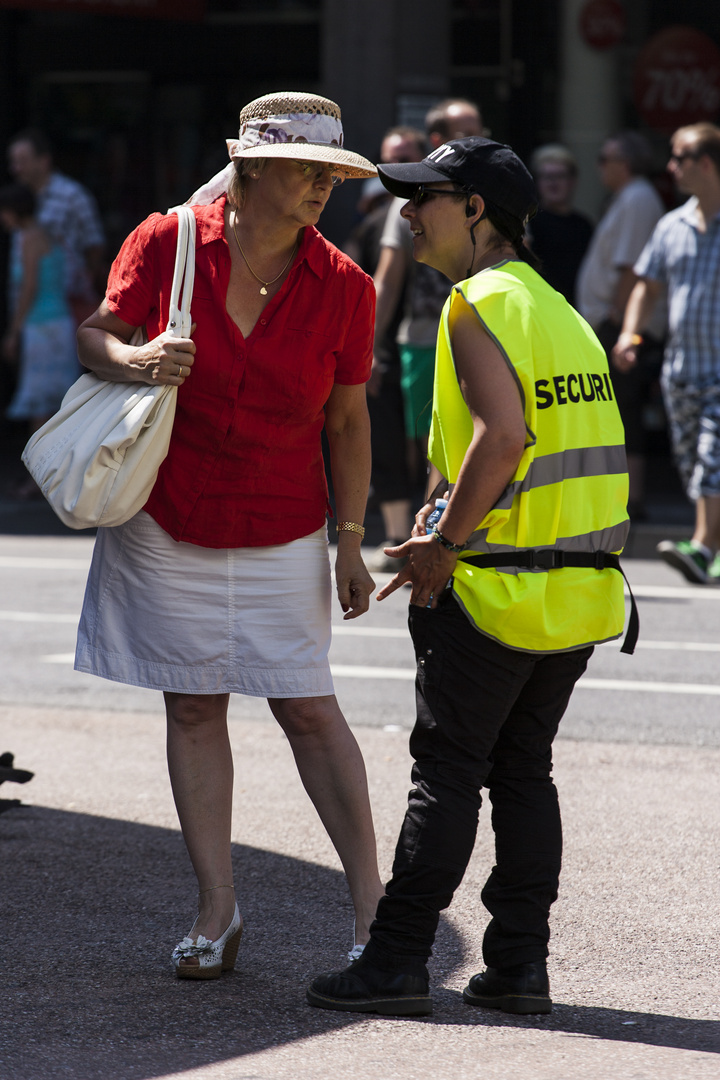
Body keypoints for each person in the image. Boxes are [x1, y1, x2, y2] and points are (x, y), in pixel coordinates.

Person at [307, 136, 630, 1017]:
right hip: (581, 590)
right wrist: (451, 506)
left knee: (446, 772)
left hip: (493, 590)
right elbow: (538, 443)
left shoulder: (474, 304)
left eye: (428, 198)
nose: (408, 214)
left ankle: (398, 958)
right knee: (525, 772)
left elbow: (503, 436)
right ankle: (520, 966)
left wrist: (443, 539)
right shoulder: (559, 311)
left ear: (477, 211)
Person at [74, 91, 385, 979]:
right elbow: (98, 334)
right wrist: (132, 356)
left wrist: (352, 540)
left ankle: (373, 909)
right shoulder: (167, 241)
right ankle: (217, 909)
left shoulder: (346, 285)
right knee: (193, 703)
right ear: (249, 169)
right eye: (307, 168)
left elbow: (351, 425)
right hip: (167, 512)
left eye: (335, 171)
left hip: (284, 521)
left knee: (308, 710)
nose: (325, 184)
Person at [367, 102, 484, 572]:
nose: (410, 211)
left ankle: (441, 531)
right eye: (462, 131)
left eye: (477, 130)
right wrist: (367, 346)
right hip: (421, 339)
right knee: (427, 444)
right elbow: (387, 280)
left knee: (465, 439)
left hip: (479, 330)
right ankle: (424, 529)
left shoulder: (497, 199)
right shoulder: (410, 208)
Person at [613, 123, 720, 585]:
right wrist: (630, 334)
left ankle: (701, 547)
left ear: (707, 163)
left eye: (679, 158)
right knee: (694, 465)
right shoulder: (671, 225)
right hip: (681, 370)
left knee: (712, 460)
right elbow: (647, 289)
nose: (671, 167)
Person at [576, 131, 666, 518]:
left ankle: (629, 499)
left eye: (605, 159)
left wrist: (615, 316)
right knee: (615, 408)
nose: (599, 167)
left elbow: (632, 266)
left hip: (619, 324)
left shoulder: (638, 197)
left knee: (623, 410)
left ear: (624, 164)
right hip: (612, 320)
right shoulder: (629, 198)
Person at [352, 127, 428, 570]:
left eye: (407, 156)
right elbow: (380, 282)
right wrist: (368, 348)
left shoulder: (430, 208)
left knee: (429, 447)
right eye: (390, 160)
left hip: (431, 340)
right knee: (388, 440)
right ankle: (401, 535)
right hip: (395, 345)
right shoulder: (377, 221)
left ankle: (431, 532)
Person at [0, 183, 79, 495]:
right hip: (56, 324)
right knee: (55, 403)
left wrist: (13, 331)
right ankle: (55, 474)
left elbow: (29, 287)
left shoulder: (30, 238)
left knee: (41, 405)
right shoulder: (45, 233)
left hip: (43, 328)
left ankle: (39, 477)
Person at [7, 128, 106, 323]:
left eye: (23, 161)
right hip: (28, 313)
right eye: (14, 162)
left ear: (44, 160)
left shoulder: (72, 195)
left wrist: (82, 285)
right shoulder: (18, 198)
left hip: (65, 310)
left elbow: (95, 245)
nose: (16, 169)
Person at [527, 144, 593, 305]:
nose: (553, 183)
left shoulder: (584, 226)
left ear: (572, 181)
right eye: (547, 177)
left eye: (560, 176)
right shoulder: (529, 223)